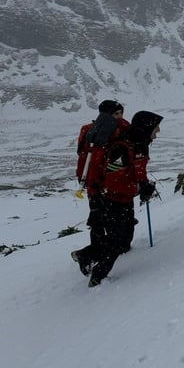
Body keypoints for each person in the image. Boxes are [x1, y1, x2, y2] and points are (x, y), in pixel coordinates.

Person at [79, 110, 162, 287]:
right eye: (156, 127)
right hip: (111, 200)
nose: (158, 131)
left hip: (124, 199)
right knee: (116, 241)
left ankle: (88, 257)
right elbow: (113, 181)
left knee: (122, 238)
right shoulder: (122, 148)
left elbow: (138, 170)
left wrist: (144, 184)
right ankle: (97, 276)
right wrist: (139, 188)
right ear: (146, 128)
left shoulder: (140, 144)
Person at [71, 100, 129, 275]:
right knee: (101, 222)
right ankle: (90, 255)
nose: (120, 117)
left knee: (102, 221)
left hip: (103, 183)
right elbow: (88, 157)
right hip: (99, 184)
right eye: (116, 114)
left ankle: (93, 254)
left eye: (121, 113)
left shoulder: (115, 128)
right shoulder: (96, 131)